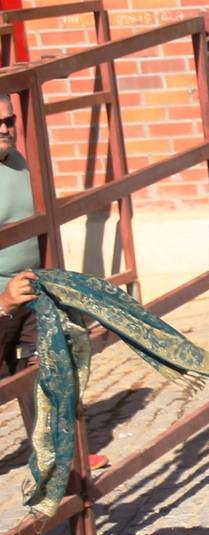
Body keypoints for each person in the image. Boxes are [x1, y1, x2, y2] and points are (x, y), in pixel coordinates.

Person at [0, 95, 108, 470]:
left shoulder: (18, 162)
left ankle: (60, 456)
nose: (5, 128)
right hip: (1, 296)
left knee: (46, 364)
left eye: (10, 120)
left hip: (31, 285)